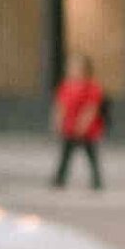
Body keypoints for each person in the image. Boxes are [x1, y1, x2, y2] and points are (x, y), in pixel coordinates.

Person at [51, 53, 107, 191]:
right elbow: (60, 106)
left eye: (76, 68)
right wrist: (58, 121)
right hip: (69, 127)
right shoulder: (66, 86)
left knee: (91, 154)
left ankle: (96, 179)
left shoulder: (92, 87)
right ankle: (60, 178)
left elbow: (91, 108)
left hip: (87, 130)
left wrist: (83, 124)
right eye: (70, 67)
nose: (72, 70)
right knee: (66, 154)